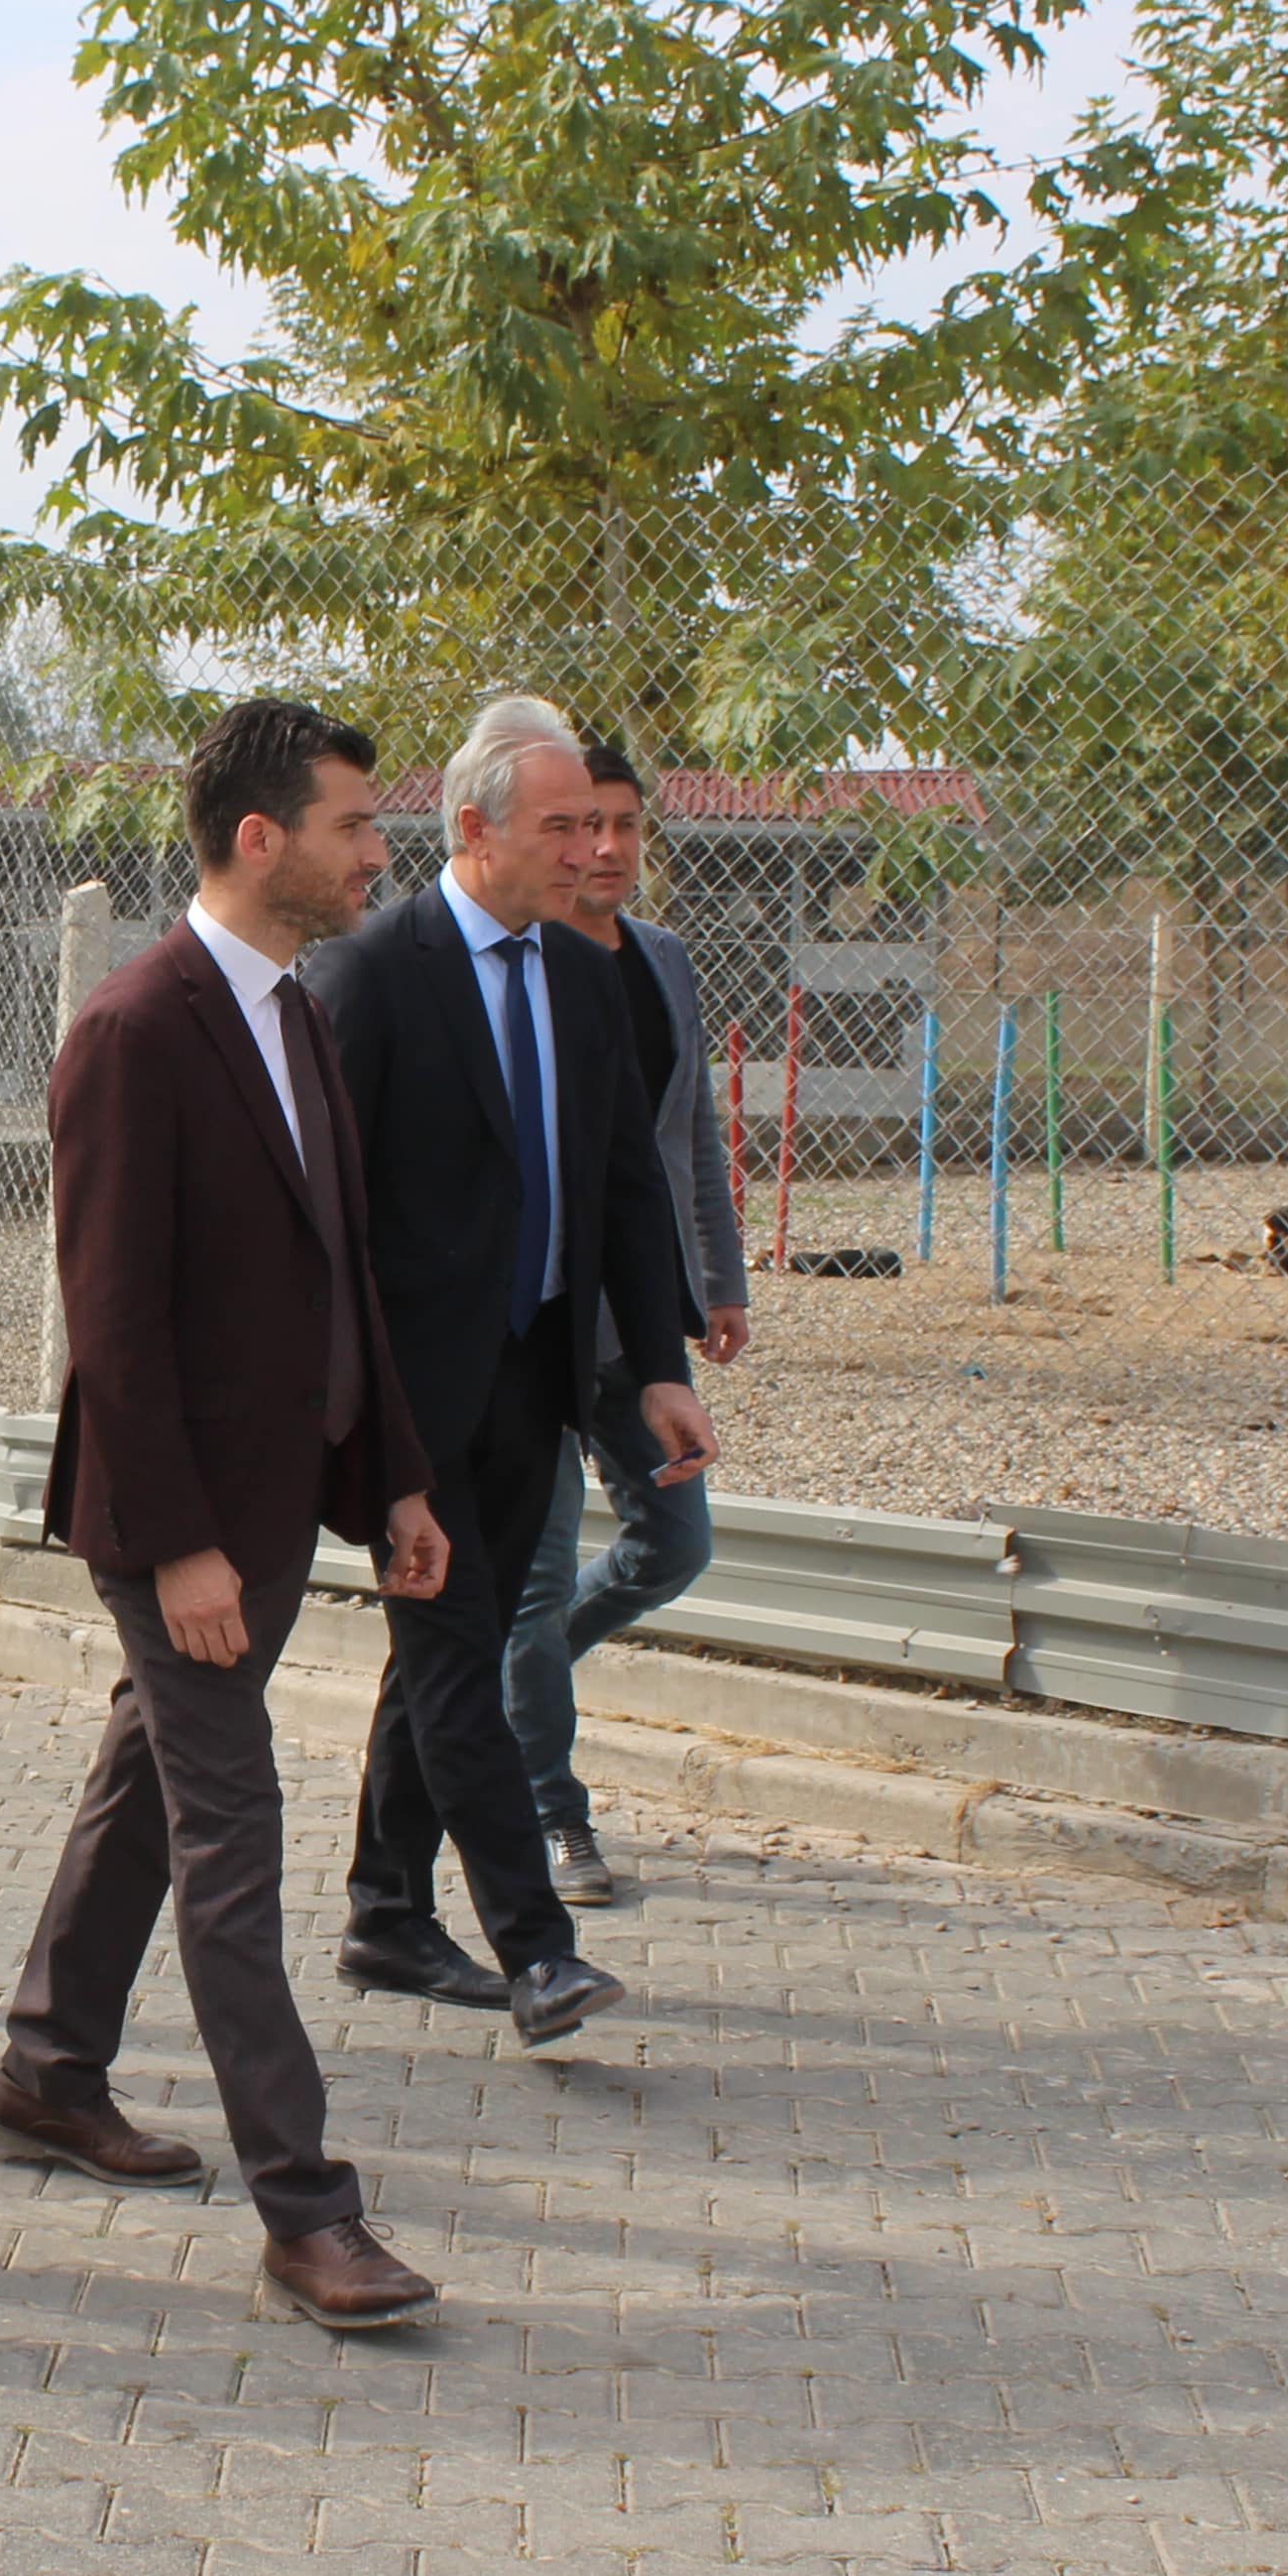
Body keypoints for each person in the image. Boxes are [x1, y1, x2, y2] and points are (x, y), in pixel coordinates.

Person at [0, 696, 453, 2332]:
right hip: (177, 1522)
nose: (375, 852)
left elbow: (342, 1277)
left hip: (274, 1503)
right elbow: (110, 1320)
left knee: (147, 1779)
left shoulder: (296, 1015)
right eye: (351, 824)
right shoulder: (134, 1028)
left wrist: (390, 1476)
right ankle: (305, 2211)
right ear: (260, 840)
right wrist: (180, 1546)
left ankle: (48, 2069)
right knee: (231, 1835)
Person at [308, 692, 712, 2048]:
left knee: (456, 1643)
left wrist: (655, 1367)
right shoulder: (373, 973)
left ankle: (384, 1911)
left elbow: (627, 1190)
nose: (591, 850)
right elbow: (324, 1210)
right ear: (475, 830)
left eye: (600, 824)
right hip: (409, 1396)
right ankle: (536, 1950)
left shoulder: (587, 979)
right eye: (561, 827)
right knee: (453, 1647)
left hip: (534, 1380)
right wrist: (345, 1402)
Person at [504, 738, 752, 1902]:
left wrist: (719, 1278)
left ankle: (507, 1684)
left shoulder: (661, 960)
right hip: (531, 1323)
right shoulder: (515, 964)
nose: (604, 848)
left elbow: (686, 1132)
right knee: (536, 1577)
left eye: (624, 826)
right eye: (580, 825)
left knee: (675, 1546)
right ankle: (555, 1813)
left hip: (636, 1328)